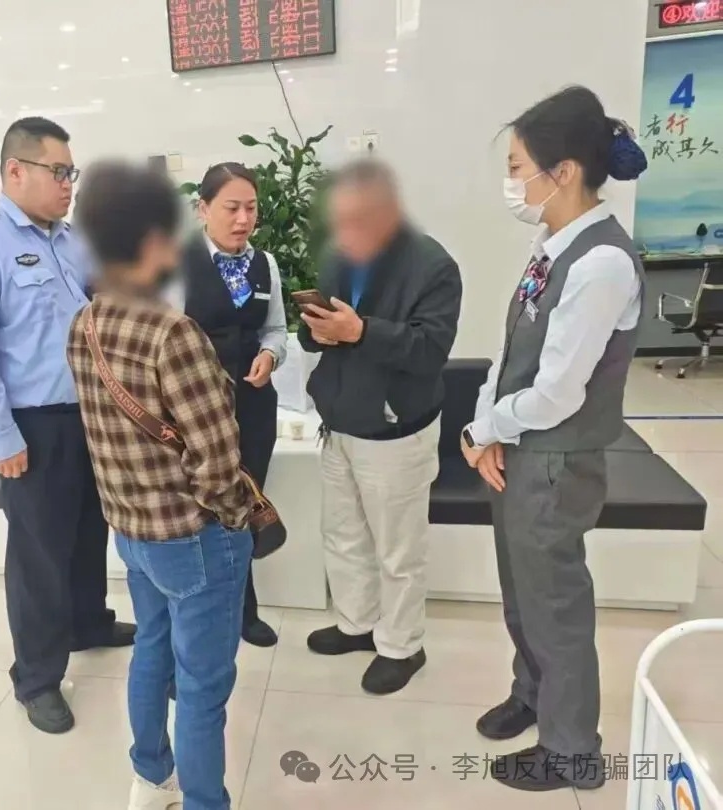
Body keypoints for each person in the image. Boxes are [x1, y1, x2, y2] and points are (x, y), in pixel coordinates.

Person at [462, 86, 648, 792]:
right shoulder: (552, 245)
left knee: (556, 608)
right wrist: (486, 428)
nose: (511, 183)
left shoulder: (602, 263)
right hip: (519, 448)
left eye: (517, 167)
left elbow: (559, 392)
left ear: (562, 171)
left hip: (555, 460)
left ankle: (572, 752)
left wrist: (484, 427)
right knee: (523, 593)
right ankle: (532, 693)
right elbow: (513, 347)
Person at [66, 160, 255, 810]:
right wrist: (235, 518)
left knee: (152, 647)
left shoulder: (85, 323)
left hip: (132, 531)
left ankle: (150, 778)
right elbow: (217, 459)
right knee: (202, 687)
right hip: (193, 538)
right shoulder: (173, 333)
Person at [0, 117, 135, 736]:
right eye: (59, 172)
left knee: (88, 531)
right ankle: (37, 677)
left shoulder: (72, 242)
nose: (69, 183)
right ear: (15, 171)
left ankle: (88, 622)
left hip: (91, 416)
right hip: (34, 423)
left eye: (72, 172)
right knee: (39, 553)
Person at [298, 160, 462, 695]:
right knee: (343, 534)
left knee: (398, 549)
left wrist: (361, 331)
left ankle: (402, 645)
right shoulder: (338, 255)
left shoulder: (433, 266)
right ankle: (357, 623)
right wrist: (317, 332)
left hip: (395, 430)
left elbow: (429, 350)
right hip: (339, 421)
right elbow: (319, 332)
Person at [166, 162, 287, 648]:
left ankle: (244, 609)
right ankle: (200, 611)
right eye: (232, 208)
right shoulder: (178, 264)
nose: (243, 219)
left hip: (254, 408)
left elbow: (275, 329)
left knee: (246, 504)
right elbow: (163, 341)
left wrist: (270, 355)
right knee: (200, 511)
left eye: (251, 209)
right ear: (203, 209)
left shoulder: (265, 264)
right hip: (196, 414)